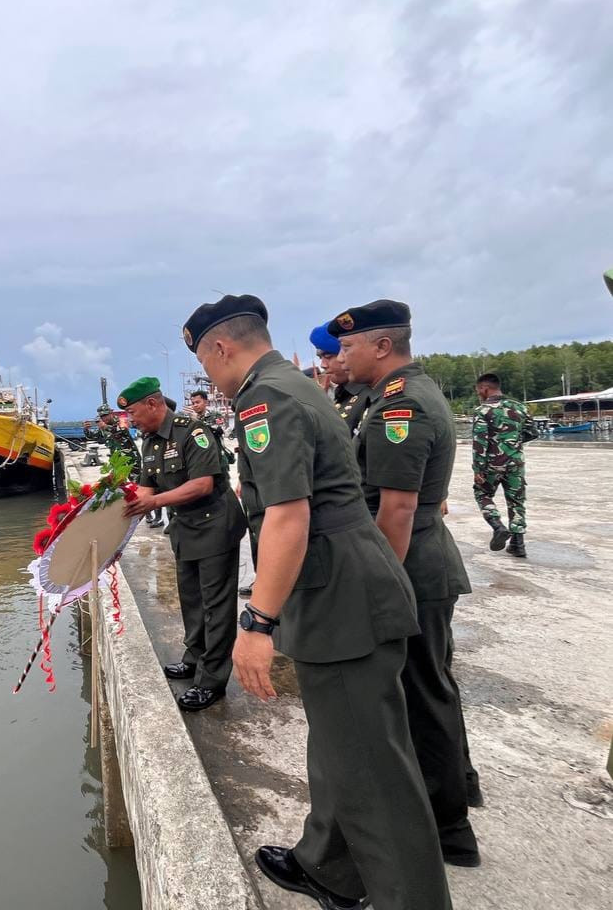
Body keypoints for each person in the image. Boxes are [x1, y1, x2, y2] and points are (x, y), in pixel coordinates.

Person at [185, 294, 450, 910]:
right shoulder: (293, 386)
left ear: (220, 348)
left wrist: (257, 623)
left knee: (373, 773)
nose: (209, 379)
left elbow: (287, 516)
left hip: (340, 597)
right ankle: (329, 867)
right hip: (342, 588)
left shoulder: (266, 399)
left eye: (204, 364)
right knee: (343, 744)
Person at [330, 299, 483, 862]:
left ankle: (448, 829)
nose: (342, 356)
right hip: (418, 562)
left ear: (382, 346)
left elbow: (396, 509)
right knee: (432, 683)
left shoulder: (403, 405)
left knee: (420, 693)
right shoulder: (392, 396)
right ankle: (460, 788)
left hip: (411, 567)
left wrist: (378, 588)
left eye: (349, 346)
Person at [119, 376, 247, 711]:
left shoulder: (192, 431)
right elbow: (145, 490)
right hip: (185, 527)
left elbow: (203, 484)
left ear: (153, 404)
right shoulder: (150, 442)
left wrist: (154, 502)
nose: (130, 420)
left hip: (215, 524)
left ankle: (212, 681)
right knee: (191, 599)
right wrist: (112, 516)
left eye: (133, 412)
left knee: (216, 605)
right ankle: (194, 658)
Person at [472, 373, 535, 557]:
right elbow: (532, 432)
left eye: (478, 391)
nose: (478, 394)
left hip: (492, 464)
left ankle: (497, 526)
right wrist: (512, 443)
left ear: (484, 388)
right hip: (515, 463)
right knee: (516, 501)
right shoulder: (520, 407)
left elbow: (480, 442)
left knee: (482, 493)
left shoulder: (482, 411)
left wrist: (478, 469)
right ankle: (518, 544)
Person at [309, 323, 371, 435]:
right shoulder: (341, 393)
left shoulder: (369, 393)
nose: (323, 365)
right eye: (320, 358)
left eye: (328, 357)